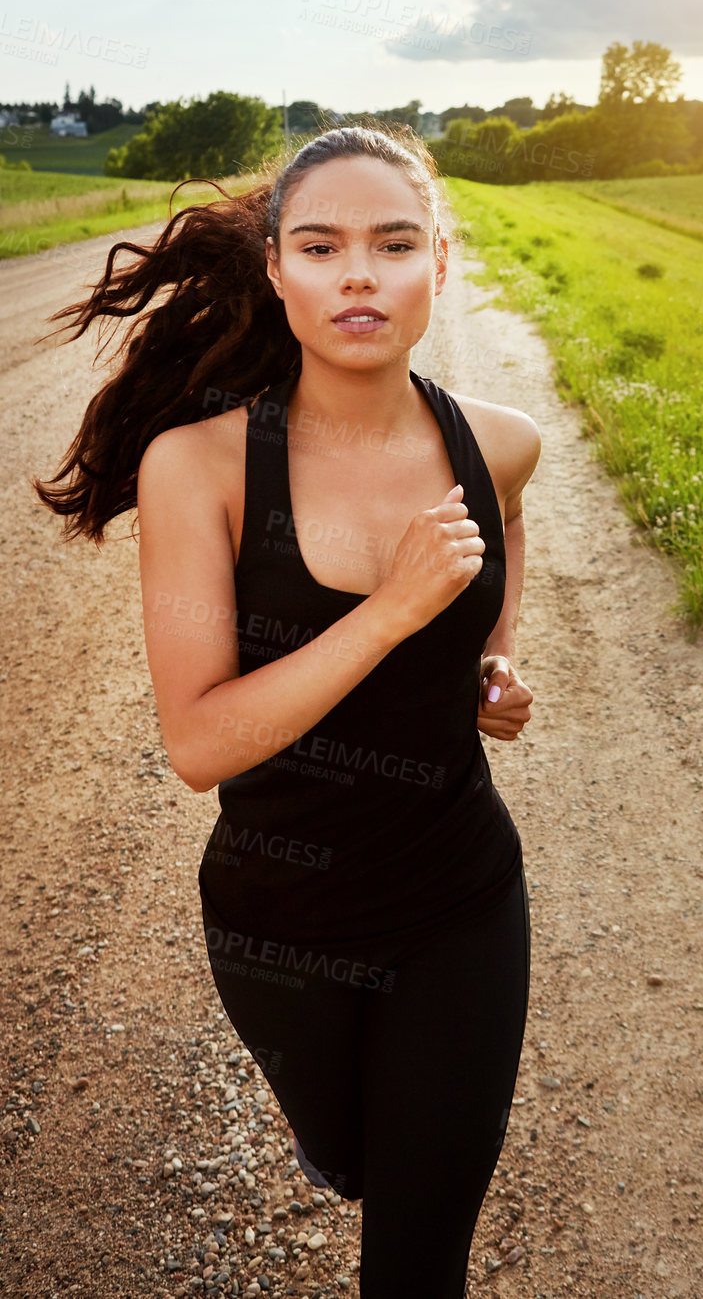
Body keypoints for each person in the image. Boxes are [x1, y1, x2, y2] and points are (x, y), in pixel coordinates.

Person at [33, 124, 541, 1297]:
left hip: (463, 895)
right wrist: (399, 611)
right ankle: (334, 1135)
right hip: (284, 921)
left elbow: (507, 523)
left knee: (418, 1250)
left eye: (393, 241)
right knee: (356, 1156)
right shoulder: (200, 466)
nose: (358, 272)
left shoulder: (499, 443)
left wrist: (495, 657)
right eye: (321, 245)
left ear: (441, 263)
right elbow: (199, 743)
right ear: (276, 270)